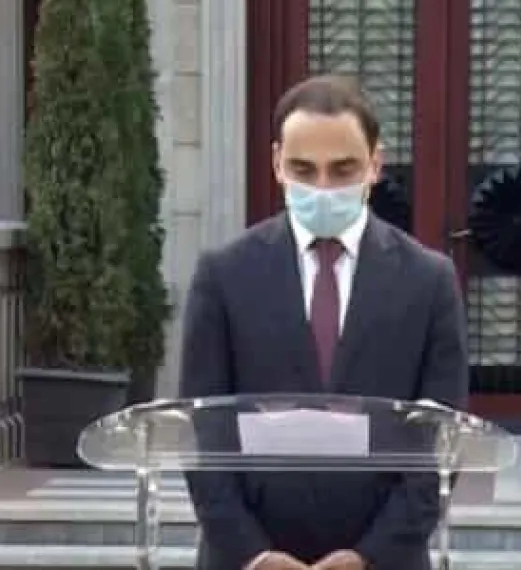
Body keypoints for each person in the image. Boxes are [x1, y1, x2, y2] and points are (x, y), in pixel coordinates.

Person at [180, 74, 469, 570]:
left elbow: (441, 442)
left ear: (375, 163)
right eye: (303, 169)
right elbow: (203, 434)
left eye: (342, 169)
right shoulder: (223, 275)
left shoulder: (429, 281)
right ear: (276, 163)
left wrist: (369, 556)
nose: (323, 187)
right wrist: (253, 553)